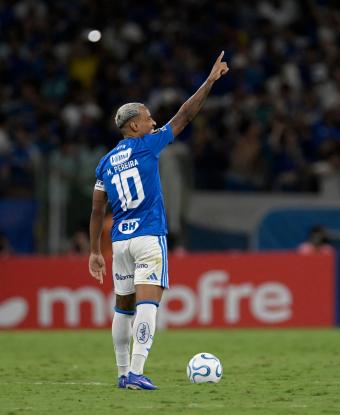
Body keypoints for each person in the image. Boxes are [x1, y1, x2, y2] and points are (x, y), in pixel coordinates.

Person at [88, 51, 229, 389]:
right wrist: (209, 82)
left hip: (119, 242)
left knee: (122, 307)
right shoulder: (148, 146)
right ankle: (136, 371)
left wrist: (95, 251)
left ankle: (123, 374)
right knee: (148, 302)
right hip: (149, 236)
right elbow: (185, 114)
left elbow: (96, 210)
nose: (154, 122)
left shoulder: (105, 163)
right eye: (149, 118)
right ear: (134, 126)